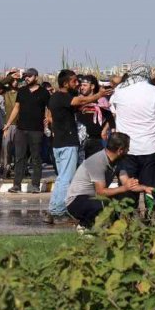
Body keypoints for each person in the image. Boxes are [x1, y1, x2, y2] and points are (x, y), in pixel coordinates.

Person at [44, 69, 112, 223]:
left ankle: (55, 209)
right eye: (74, 81)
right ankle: (57, 210)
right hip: (67, 143)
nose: (78, 83)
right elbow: (79, 101)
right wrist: (98, 95)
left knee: (63, 177)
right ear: (66, 83)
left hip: (60, 143)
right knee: (65, 179)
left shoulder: (57, 97)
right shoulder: (61, 97)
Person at [109, 64, 155, 212]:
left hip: (126, 150)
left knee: (127, 188)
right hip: (151, 148)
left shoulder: (119, 93)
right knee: (152, 188)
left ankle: (127, 221)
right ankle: (151, 220)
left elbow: (113, 112)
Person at [65, 132, 141, 230]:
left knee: (125, 196)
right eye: (127, 148)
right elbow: (100, 192)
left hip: (93, 197)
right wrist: (125, 187)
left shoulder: (119, 161)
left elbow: (127, 183)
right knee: (103, 204)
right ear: (120, 150)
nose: (128, 150)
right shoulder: (97, 161)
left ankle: (118, 229)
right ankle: (84, 225)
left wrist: (147, 188)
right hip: (76, 201)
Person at [2, 68, 49, 193]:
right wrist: (8, 124)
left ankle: (35, 185)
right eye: (25, 76)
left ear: (36, 77)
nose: (27, 78)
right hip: (21, 129)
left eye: (29, 76)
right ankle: (16, 185)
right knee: (19, 157)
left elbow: (49, 108)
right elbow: (16, 108)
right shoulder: (22, 91)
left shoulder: (44, 92)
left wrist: (48, 119)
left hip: (36, 130)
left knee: (36, 158)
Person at [76, 75, 112, 159]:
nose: (81, 87)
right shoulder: (77, 100)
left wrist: (105, 130)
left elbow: (110, 117)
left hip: (97, 140)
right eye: (81, 85)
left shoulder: (101, 100)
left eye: (84, 85)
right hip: (80, 141)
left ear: (92, 86)